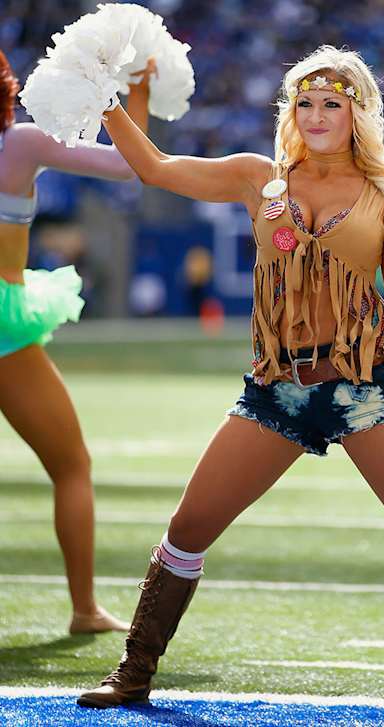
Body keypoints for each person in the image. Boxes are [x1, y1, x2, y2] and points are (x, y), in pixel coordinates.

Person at [77, 45, 384, 720]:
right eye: (305, 103)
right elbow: (154, 167)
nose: (316, 116)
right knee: (188, 527)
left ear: (359, 115)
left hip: (364, 388)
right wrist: (104, 97)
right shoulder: (257, 177)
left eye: (332, 105)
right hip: (277, 389)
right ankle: (133, 673)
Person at [0, 49, 151, 634]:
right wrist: (136, 90)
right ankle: (85, 609)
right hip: (5, 328)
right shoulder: (19, 145)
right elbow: (133, 165)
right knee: (71, 466)